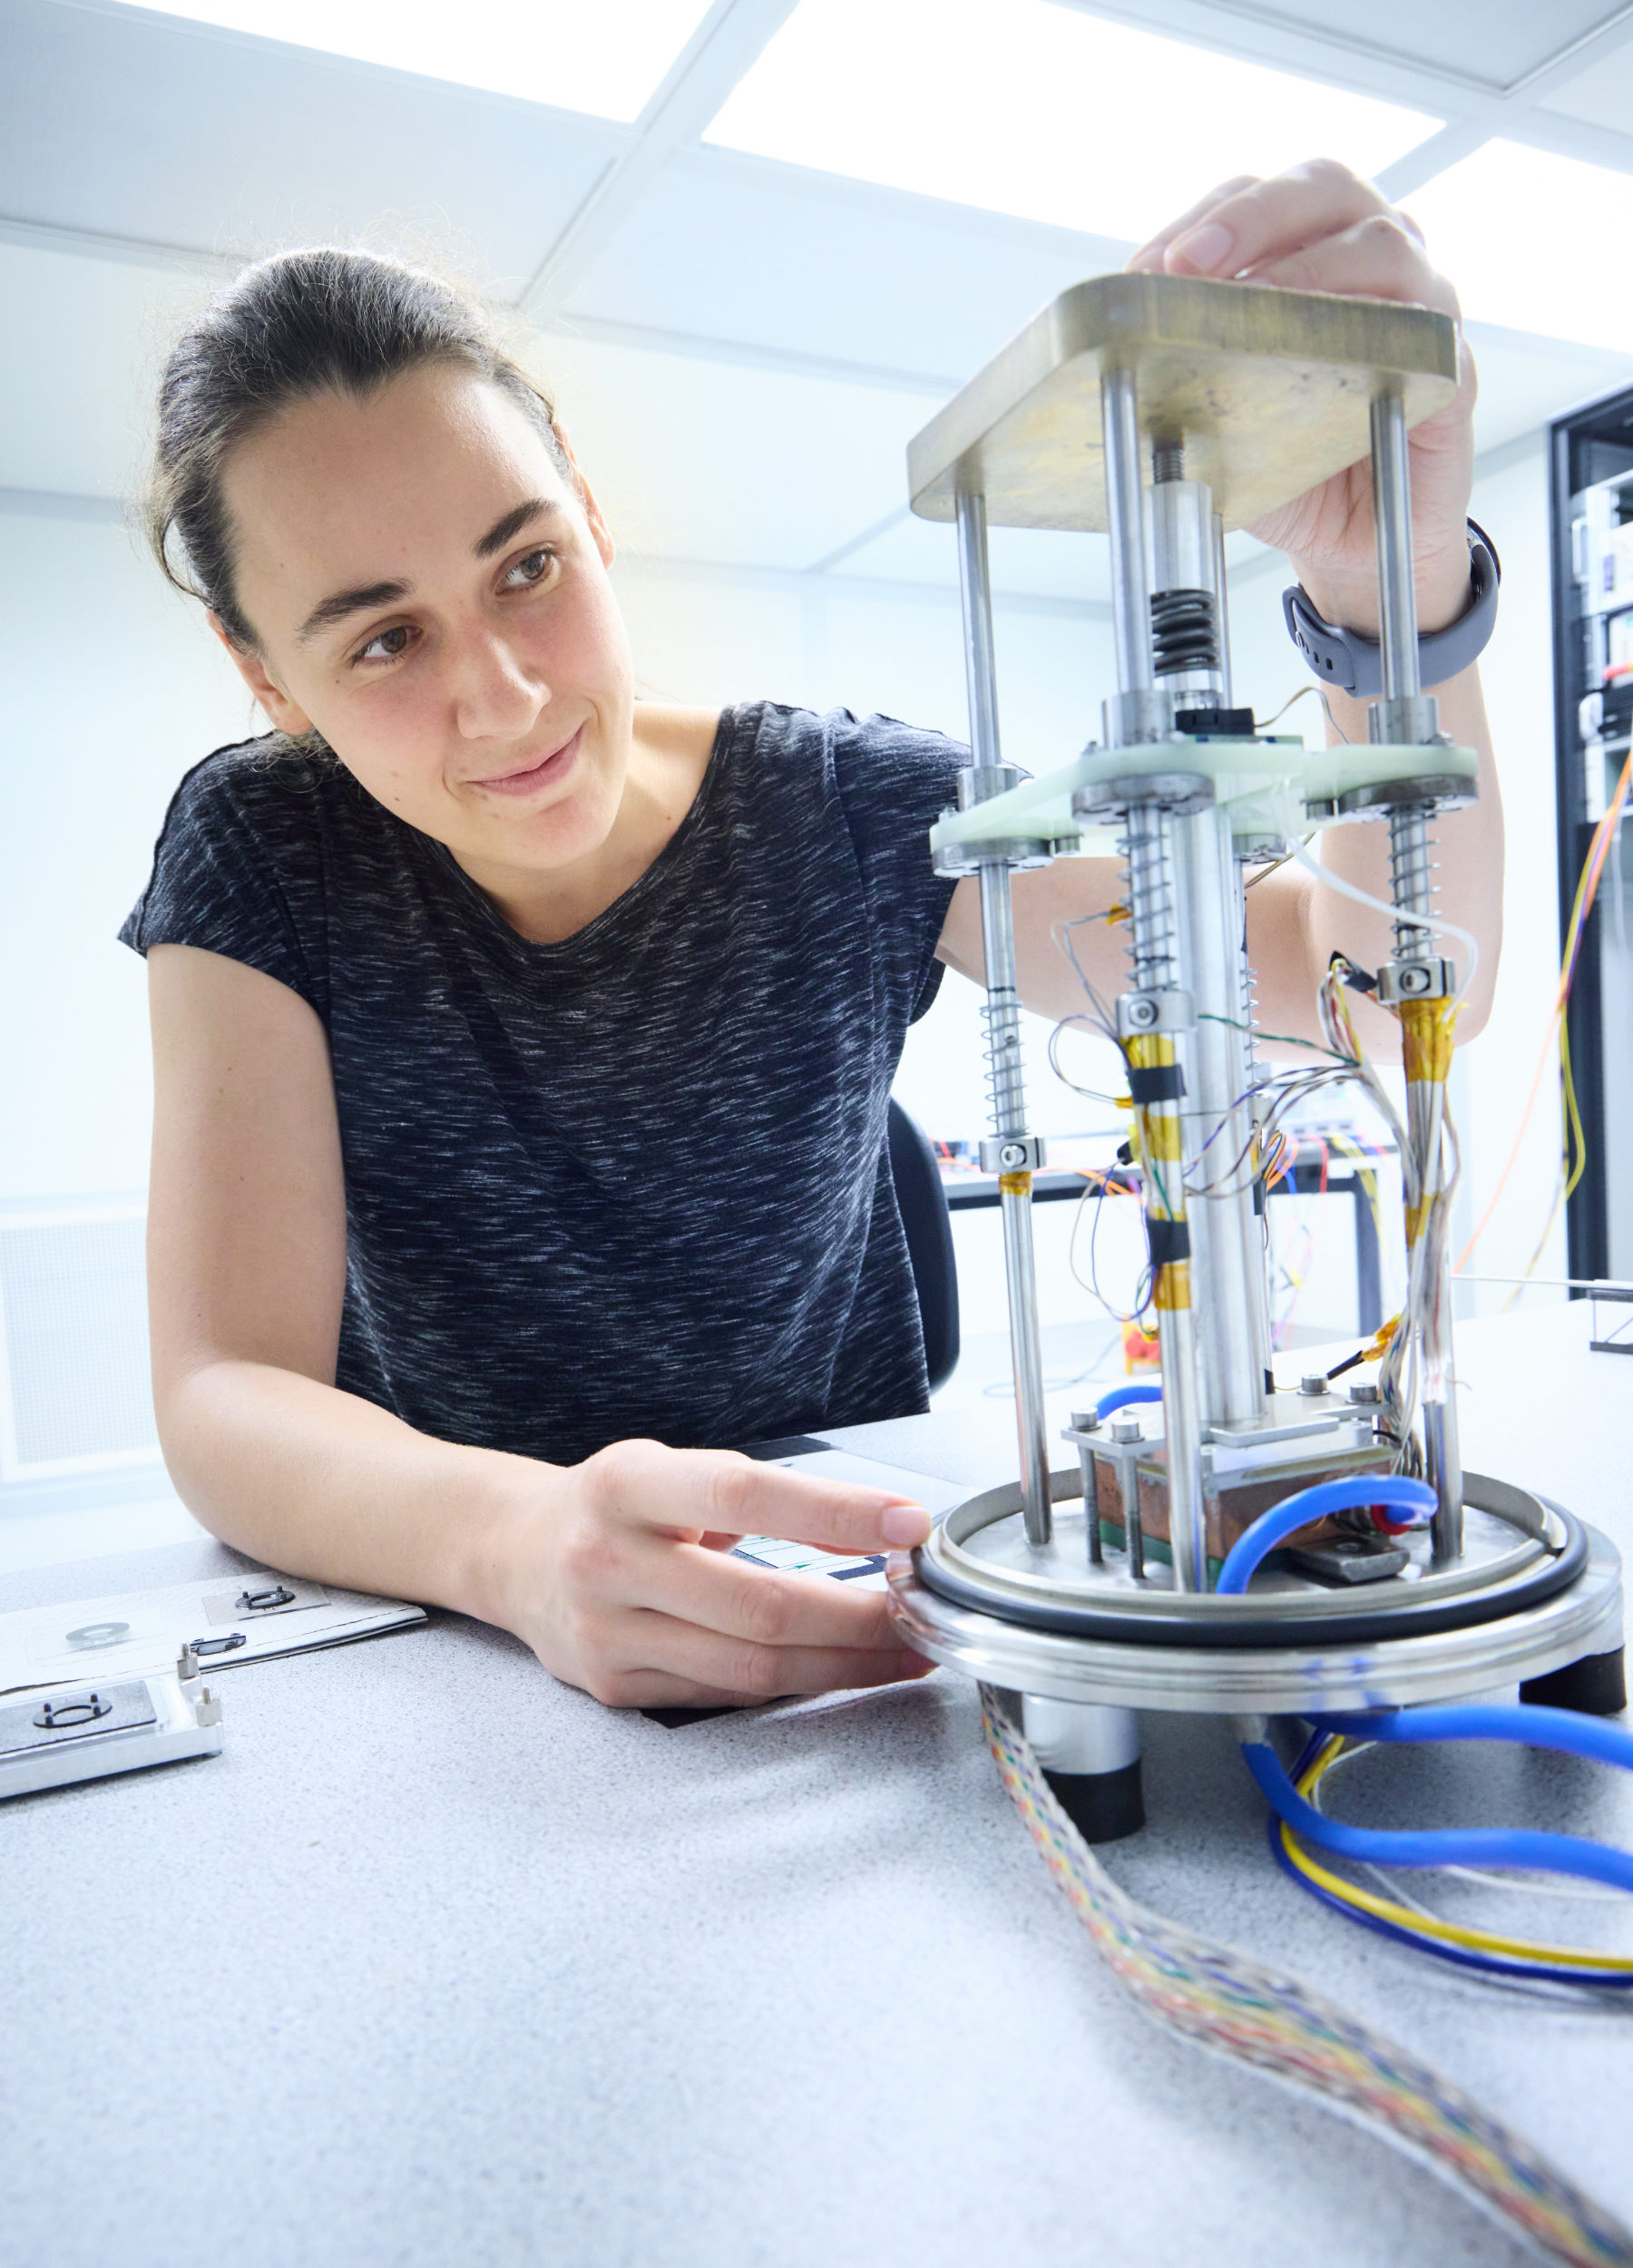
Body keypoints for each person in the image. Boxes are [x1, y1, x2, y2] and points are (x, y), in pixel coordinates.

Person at [127, 158, 1502, 1711]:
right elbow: (228, 1389)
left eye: (527, 566)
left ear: (585, 503)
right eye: (384, 638)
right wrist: (517, 1542)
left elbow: (1370, 1002)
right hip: (458, 1631)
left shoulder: (844, 808)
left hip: (846, 1626)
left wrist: (1392, 593)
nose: (507, 696)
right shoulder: (266, 849)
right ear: (262, 674)